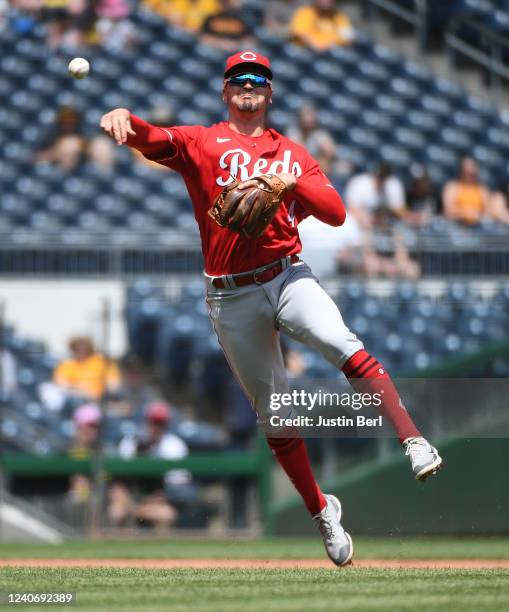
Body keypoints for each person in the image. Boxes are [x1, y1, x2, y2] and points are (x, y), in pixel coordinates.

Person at [100, 50, 442, 566]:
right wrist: (128, 118)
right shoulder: (202, 141)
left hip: (287, 275)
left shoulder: (293, 153)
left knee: (341, 342)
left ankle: (414, 440)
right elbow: (154, 138)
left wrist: (290, 181)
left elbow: (335, 210)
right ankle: (322, 510)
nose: (248, 86)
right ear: (225, 92)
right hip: (230, 292)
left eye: (258, 79)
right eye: (238, 79)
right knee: (276, 413)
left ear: (270, 92)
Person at [110, 401, 189, 532]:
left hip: (156, 501)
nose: (155, 427)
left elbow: (176, 485)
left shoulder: (173, 445)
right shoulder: (130, 442)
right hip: (130, 499)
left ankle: (163, 551)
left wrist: (149, 503)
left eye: (160, 423)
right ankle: (121, 550)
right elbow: (118, 481)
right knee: (117, 511)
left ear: (166, 424)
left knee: (167, 515)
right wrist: (128, 502)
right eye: (153, 422)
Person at [54, 336, 121, 401]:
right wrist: (80, 389)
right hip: (73, 396)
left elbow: (113, 383)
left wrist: (109, 393)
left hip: (97, 398)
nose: (81, 352)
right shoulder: (67, 364)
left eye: (85, 349)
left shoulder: (102, 362)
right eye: (77, 349)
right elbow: (62, 385)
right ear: (73, 350)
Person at [344, 163, 408, 229]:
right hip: (360, 222)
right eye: (380, 176)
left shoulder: (393, 184)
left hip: (385, 224)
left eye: (384, 177)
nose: (382, 179)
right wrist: (366, 219)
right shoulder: (359, 182)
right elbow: (351, 208)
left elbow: (400, 210)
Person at [290, 0, 354, 52]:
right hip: (307, 52)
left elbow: (348, 36)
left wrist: (330, 44)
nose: (325, 2)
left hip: (332, 52)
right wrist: (316, 45)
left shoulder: (339, 16)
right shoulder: (306, 12)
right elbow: (301, 33)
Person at [442, 157, 490, 226]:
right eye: (467, 168)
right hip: (456, 224)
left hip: (478, 224)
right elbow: (448, 210)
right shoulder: (452, 187)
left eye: (472, 167)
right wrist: (468, 213)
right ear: (461, 170)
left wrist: (475, 215)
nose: (470, 172)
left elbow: (488, 211)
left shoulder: (482, 189)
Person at [143, 0, 220, 32]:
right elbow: (145, 9)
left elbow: (196, 28)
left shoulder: (210, 4)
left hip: (189, 36)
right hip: (158, 27)